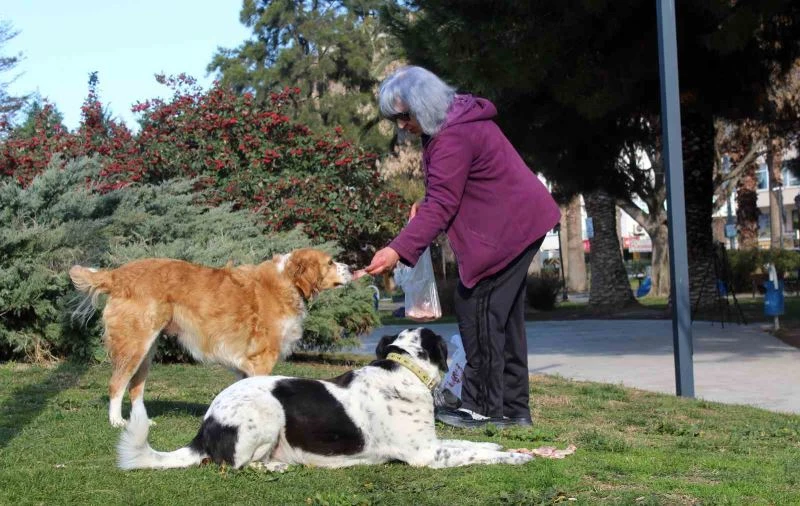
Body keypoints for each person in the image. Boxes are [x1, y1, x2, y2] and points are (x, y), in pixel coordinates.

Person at [363, 66, 561, 429]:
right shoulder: (453, 122)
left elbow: (443, 203)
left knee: (478, 310)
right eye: (396, 119)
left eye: (404, 116)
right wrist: (425, 208)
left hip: (506, 231)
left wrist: (396, 250)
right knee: (504, 320)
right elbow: (449, 190)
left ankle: (483, 409)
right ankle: (514, 410)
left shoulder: (452, 135)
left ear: (422, 105)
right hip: (520, 222)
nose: (401, 126)